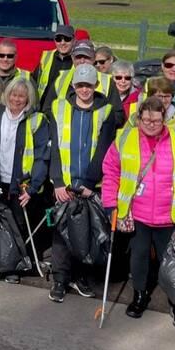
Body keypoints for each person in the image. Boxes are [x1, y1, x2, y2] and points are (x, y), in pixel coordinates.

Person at [102, 97, 175, 321]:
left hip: (169, 214)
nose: (151, 124)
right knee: (139, 257)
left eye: (156, 120)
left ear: (164, 118)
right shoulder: (124, 139)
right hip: (137, 214)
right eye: (146, 120)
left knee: (172, 261)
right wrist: (110, 205)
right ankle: (140, 295)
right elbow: (111, 173)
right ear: (138, 119)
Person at [47, 64, 118, 303]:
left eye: (88, 85)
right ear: (73, 86)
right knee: (61, 234)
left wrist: (89, 181)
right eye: (80, 85)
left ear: (96, 85)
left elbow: (103, 150)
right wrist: (58, 182)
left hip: (89, 185)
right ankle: (60, 279)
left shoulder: (106, 111)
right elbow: (55, 148)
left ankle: (81, 278)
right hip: (64, 185)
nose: (84, 90)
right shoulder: (58, 107)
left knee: (86, 235)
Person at [0, 77, 50, 283]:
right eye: (13, 94)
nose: (17, 99)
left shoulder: (37, 120)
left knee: (17, 226)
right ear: (7, 95)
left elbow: (42, 157)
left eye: (22, 96)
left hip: (21, 185)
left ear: (28, 98)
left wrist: (33, 187)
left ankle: (13, 268)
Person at [41, 39, 120, 113]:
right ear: (72, 58)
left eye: (86, 57)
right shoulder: (61, 78)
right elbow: (47, 108)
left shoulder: (107, 81)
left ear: (94, 58)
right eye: (78, 57)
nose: (82, 61)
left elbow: (117, 113)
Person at [33, 24, 76, 102]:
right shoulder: (46, 57)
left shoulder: (78, 60)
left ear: (74, 40)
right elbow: (34, 81)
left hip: (64, 110)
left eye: (67, 39)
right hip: (42, 107)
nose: (62, 43)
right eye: (58, 39)